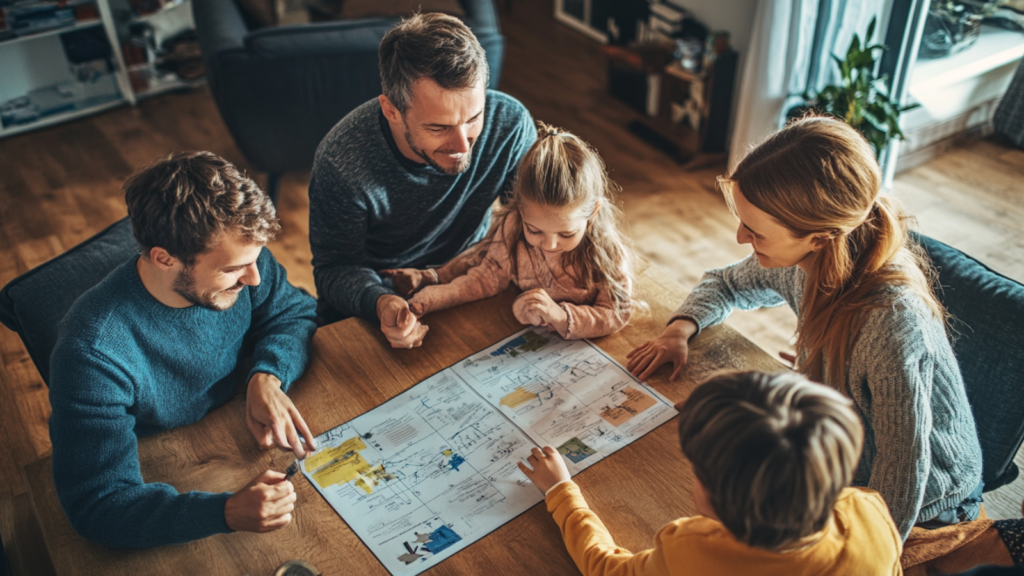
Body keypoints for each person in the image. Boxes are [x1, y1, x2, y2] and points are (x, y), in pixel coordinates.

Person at [625, 116, 983, 540]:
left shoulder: (892, 325)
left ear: (819, 237)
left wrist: (865, 556)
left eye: (755, 231)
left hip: (928, 505)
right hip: (840, 449)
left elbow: (901, 475)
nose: (741, 237)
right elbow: (724, 283)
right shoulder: (804, 263)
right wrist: (678, 329)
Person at [48, 152, 318, 548]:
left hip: (233, 429)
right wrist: (223, 513)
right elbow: (98, 505)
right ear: (164, 258)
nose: (254, 277)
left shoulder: (243, 258)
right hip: (161, 463)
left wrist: (267, 375)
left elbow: (296, 312)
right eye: (231, 270)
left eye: (255, 260)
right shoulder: (91, 352)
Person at [519, 371, 903, 575]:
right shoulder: (867, 509)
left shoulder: (693, 549)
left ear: (711, 495)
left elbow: (607, 569)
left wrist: (561, 491)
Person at [308, 12, 536, 348]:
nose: (463, 146)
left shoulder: (510, 123)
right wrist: (380, 302)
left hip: (471, 281)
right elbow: (335, 268)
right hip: (378, 310)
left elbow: (531, 217)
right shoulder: (342, 162)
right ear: (391, 111)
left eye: (473, 118)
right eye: (439, 127)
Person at [388, 123, 636, 340]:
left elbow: (616, 312)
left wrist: (562, 317)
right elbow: (488, 275)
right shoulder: (513, 226)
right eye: (534, 230)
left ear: (592, 213)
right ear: (520, 210)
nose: (549, 245)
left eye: (566, 234)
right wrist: (434, 298)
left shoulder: (607, 253)